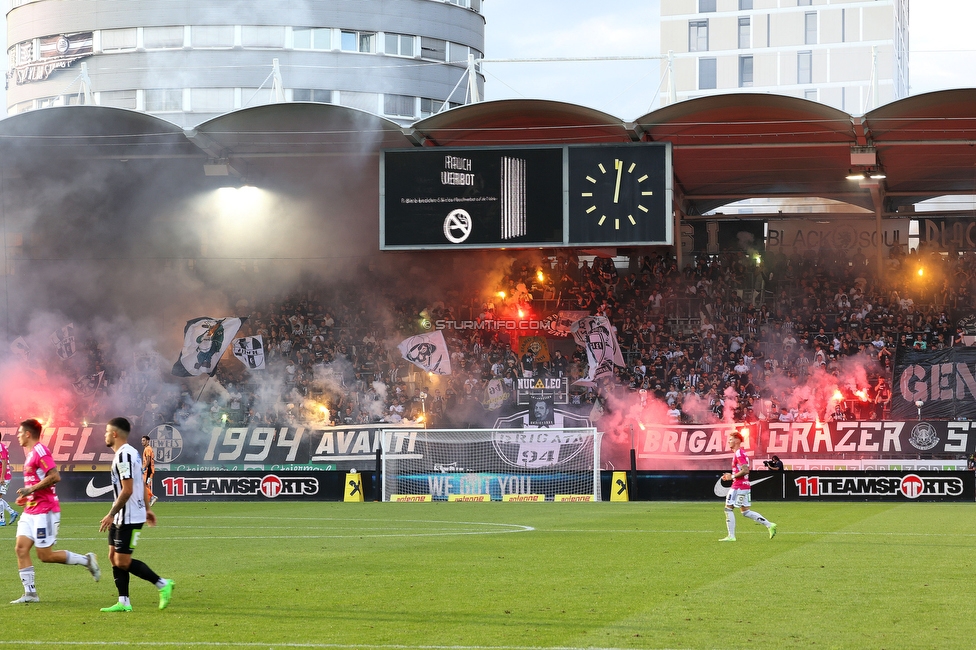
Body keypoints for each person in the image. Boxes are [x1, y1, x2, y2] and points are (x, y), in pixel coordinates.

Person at [11, 418, 100, 604]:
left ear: (28, 434)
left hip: (46, 510)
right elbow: (37, 482)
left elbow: (55, 476)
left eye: (20, 433)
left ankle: (87, 560)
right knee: (21, 548)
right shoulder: (30, 453)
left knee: (45, 555)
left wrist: (31, 490)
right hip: (31, 510)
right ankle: (30, 593)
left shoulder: (41, 451)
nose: (18, 435)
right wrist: (27, 497)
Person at [99, 417, 174, 613]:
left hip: (128, 516)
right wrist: (148, 508)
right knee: (113, 556)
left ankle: (162, 584)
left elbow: (128, 489)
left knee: (122, 560)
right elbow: (142, 484)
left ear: (115, 434)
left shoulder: (124, 456)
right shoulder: (132, 453)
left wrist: (110, 514)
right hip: (124, 515)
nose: (105, 435)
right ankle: (123, 601)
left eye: (107, 431)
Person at [719, 431, 777, 542]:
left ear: (737, 441)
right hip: (745, 486)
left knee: (728, 509)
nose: (729, 441)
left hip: (738, 486)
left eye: (731, 439)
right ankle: (770, 525)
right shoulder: (741, 453)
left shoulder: (739, 453)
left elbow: (745, 470)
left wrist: (731, 477)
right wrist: (730, 476)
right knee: (745, 511)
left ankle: (731, 536)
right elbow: (741, 470)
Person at [0, 439, 20, 527]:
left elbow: (4, 462)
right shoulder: (2, 446)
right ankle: (12, 512)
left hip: (4, 477)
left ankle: (2, 520)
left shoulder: (1, 447)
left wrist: (2, 477)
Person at [141, 435, 157, 507]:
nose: (142, 442)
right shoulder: (149, 449)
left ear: (148, 441)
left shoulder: (147, 449)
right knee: (146, 485)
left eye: (144, 440)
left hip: (148, 470)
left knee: (143, 485)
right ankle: (147, 500)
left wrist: (144, 468)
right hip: (150, 470)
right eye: (142, 440)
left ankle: (152, 497)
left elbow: (148, 460)